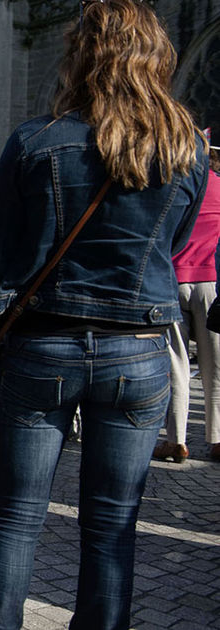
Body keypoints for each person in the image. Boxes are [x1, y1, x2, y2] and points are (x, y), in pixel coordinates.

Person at [0, 1, 208, 627]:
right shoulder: (186, 147)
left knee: (17, 516)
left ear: (81, 55)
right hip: (138, 349)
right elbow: (176, 243)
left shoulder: (36, 140)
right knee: (112, 526)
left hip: (43, 346)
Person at [154, 145, 220, 463]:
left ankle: (176, 439)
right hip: (213, 280)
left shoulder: (173, 186)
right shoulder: (219, 186)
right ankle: (218, 438)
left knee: (176, 363)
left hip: (175, 277)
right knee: (216, 365)